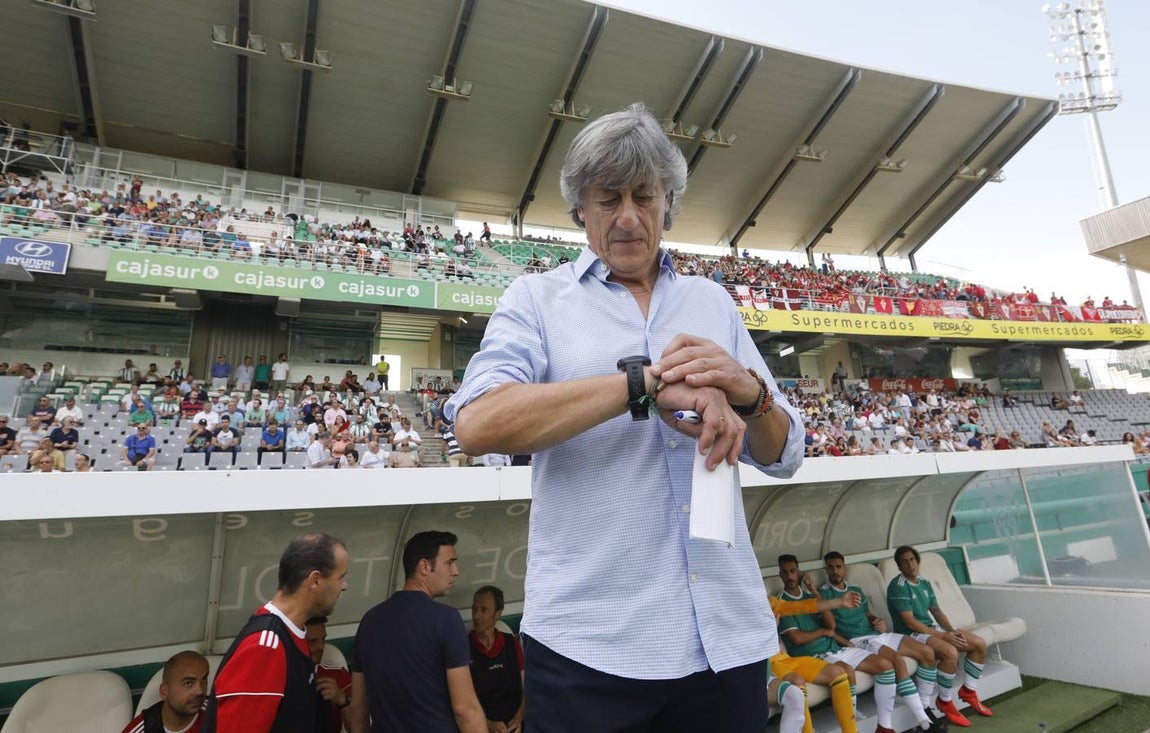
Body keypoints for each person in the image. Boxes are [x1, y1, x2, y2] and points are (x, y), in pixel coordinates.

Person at [445, 103, 802, 731]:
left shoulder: (711, 300)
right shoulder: (536, 299)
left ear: (669, 203)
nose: (629, 218)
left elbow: (783, 454)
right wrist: (644, 385)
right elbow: (477, 424)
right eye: (608, 198)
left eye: (645, 196)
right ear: (580, 208)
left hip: (726, 640)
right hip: (592, 650)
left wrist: (748, 392)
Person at [204, 533, 349, 732]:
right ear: (314, 580)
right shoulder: (265, 647)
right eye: (341, 577)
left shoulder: (294, 634)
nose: (344, 586)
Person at [347, 531, 485, 733]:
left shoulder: (369, 621)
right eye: (449, 563)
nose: (456, 571)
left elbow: (358, 713)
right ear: (424, 567)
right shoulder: (447, 619)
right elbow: (465, 710)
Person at [820, 552, 942, 732]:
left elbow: (868, 615)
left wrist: (877, 621)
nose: (835, 571)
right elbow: (829, 626)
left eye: (838, 566)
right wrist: (846, 642)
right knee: (896, 659)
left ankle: (924, 707)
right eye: (830, 567)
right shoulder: (824, 595)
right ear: (826, 570)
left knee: (927, 652)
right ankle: (924, 721)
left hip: (876, 634)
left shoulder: (856, 589)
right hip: (859, 640)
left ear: (844, 567)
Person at [776, 555, 899, 733]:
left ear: (799, 572)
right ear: (780, 574)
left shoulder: (810, 597)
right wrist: (823, 632)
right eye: (785, 572)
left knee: (885, 665)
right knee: (846, 671)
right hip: (812, 655)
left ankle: (884, 726)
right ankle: (851, 724)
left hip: (833, 648)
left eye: (793, 571)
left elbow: (831, 625)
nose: (789, 576)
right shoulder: (781, 602)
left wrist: (815, 593)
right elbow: (797, 639)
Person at [887, 545, 993, 727]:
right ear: (899, 566)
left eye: (912, 559)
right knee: (950, 651)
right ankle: (945, 701)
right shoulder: (898, 587)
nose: (909, 564)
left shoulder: (924, 582)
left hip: (930, 628)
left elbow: (936, 611)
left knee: (978, 643)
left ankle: (969, 690)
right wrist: (943, 637)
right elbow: (910, 622)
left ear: (917, 562)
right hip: (911, 634)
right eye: (904, 561)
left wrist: (951, 630)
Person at [469, 586, 525, 732]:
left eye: (483, 610)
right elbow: (463, 701)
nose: (476, 616)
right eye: (474, 609)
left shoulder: (512, 644)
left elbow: (527, 688)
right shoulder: (463, 648)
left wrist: (518, 720)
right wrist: (488, 725)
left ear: (498, 613)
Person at [121, 651, 209, 733]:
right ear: (164, 691)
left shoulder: (217, 711)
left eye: (204, 680)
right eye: (188, 683)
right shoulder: (143, 730)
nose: (200, 691)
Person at [306, 616, 353, 733]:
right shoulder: (279, 677)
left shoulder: (337, 675)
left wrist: (342, 699)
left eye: (323, 639)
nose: (321, 647)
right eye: (312, 641)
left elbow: (359, 728)